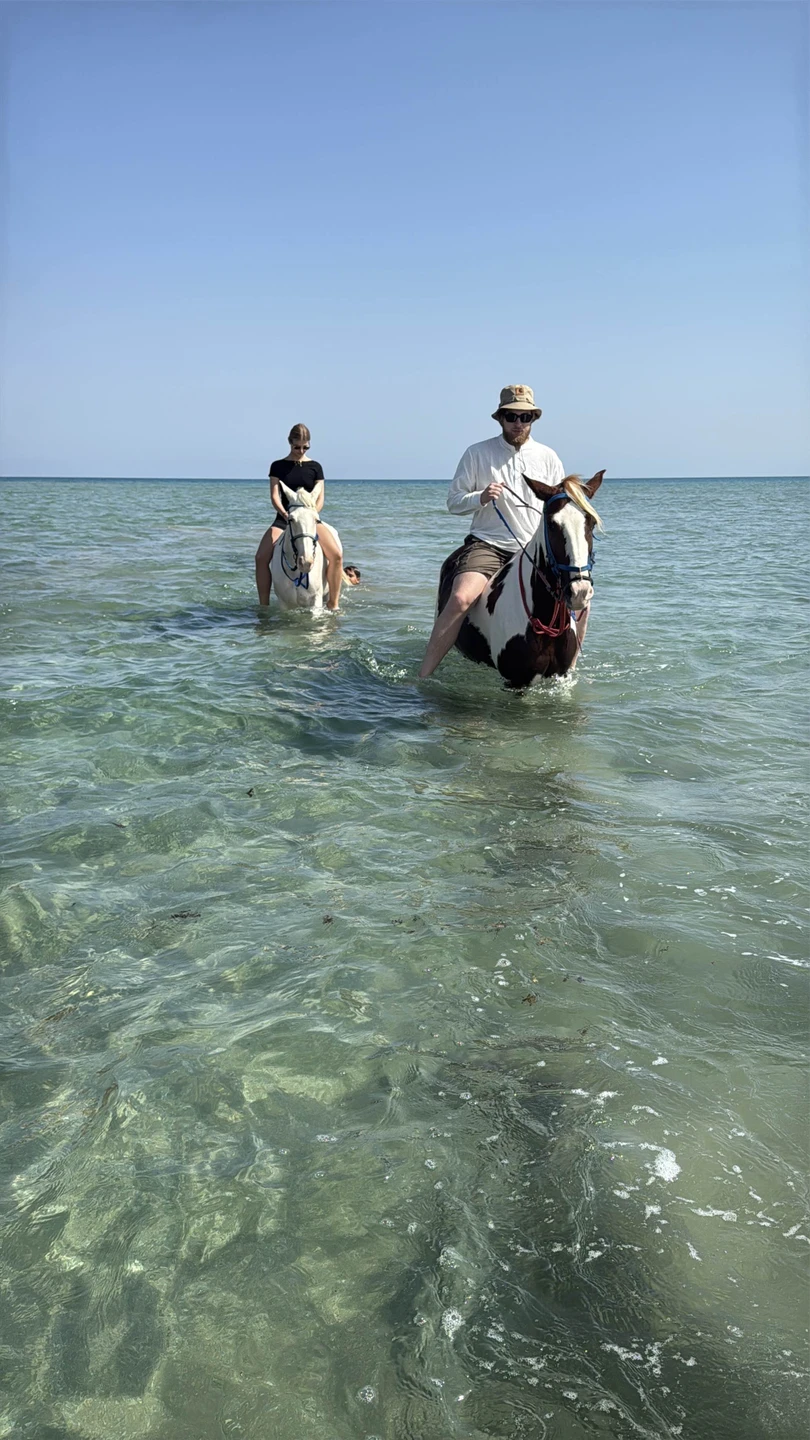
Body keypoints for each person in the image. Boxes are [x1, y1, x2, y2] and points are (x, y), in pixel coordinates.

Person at [418, 384, 569, 677]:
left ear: (533, 419)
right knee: (461, 598)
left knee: (580, 601)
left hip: (533, 550)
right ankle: (422, 677)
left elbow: (559, 507)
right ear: (500, 418)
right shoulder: (477, 453)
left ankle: (570, 671)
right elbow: (453, 502)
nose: (518, 423)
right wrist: (480, 497)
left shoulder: (549, 457)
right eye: (511, 416)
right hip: (488, 545)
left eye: (525, 417)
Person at [254, 424, 343, 610]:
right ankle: (263, 606)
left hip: (310, 519)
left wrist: (313, 515)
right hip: (284, 517)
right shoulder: (277, 466)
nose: (301, 450)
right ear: (289, 443)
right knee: (261, 557)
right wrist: (286, 514)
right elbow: (274, 496)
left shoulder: (316, 467)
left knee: (336, 555)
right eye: (297, 447)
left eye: (305, 447)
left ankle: (333, 604)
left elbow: (320, 498)